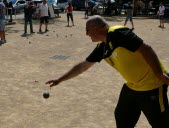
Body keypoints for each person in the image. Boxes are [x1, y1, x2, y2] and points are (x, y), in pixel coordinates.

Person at [46, 15, 169, 128]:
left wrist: (159, 74)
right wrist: (59, 80)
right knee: (122, 117)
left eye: (87, 30)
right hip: (132, 87)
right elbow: (82, 66)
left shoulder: (118, 33)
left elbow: (146, 49)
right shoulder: (103, 47)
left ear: (95, 29)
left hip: (152, 85)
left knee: (160, 123)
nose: (86, 34)